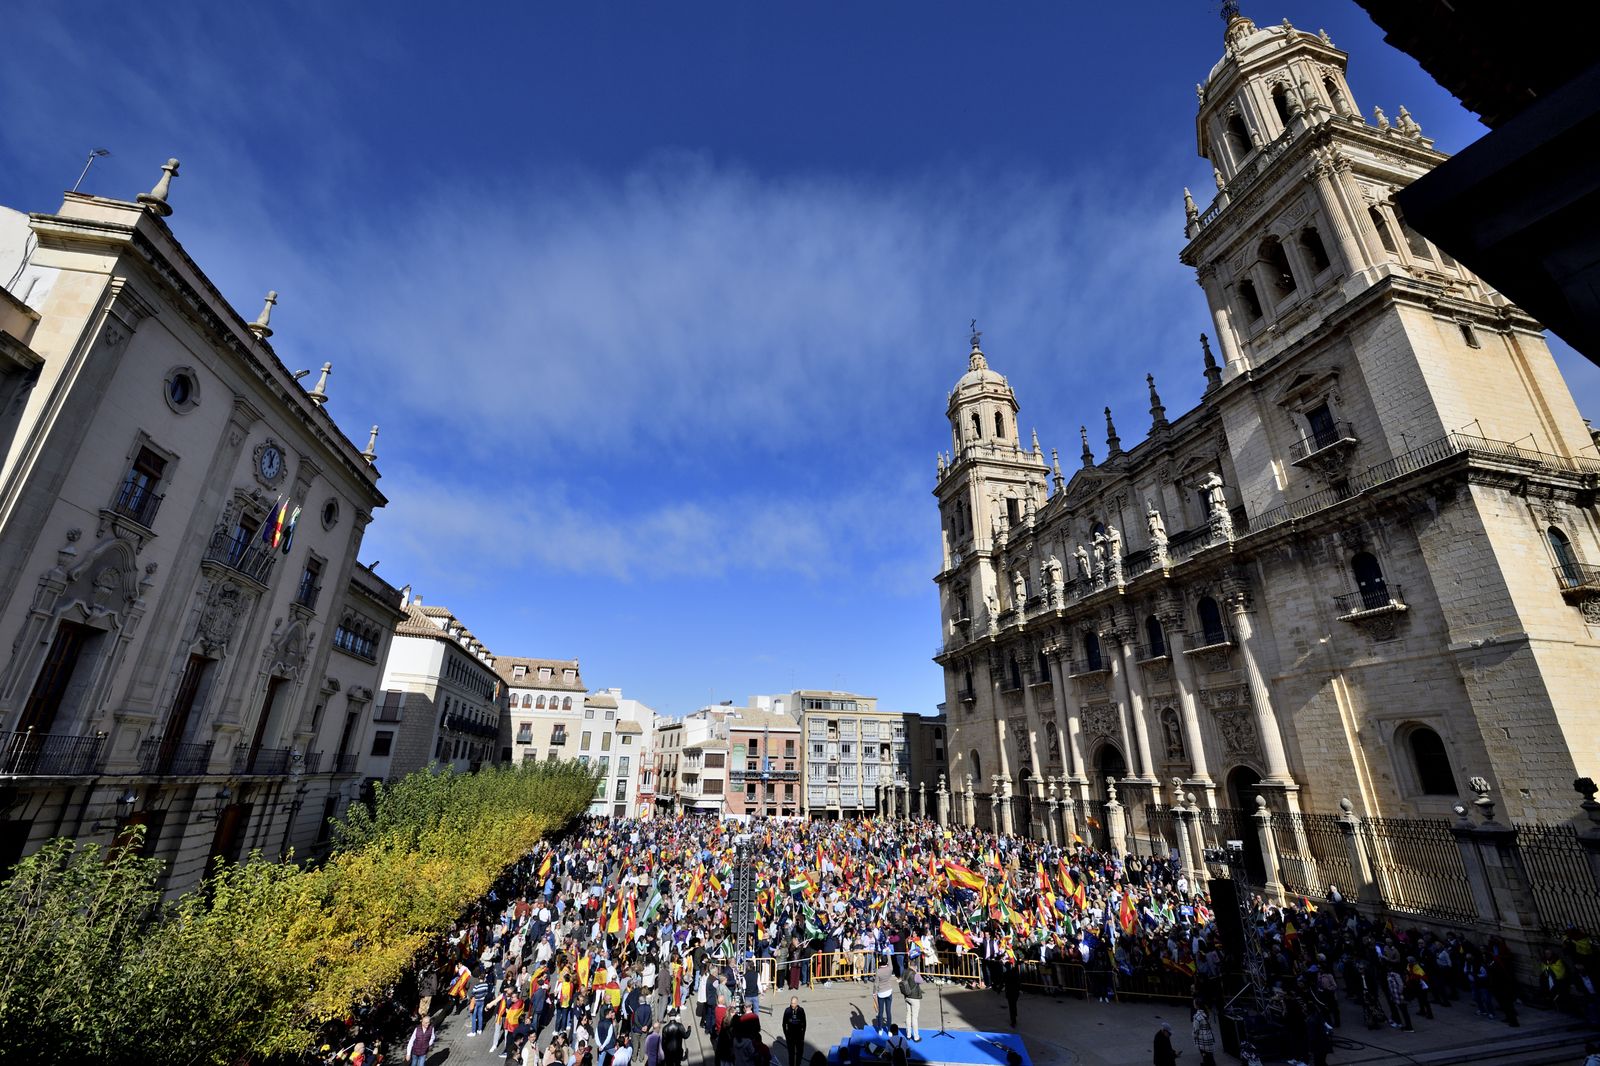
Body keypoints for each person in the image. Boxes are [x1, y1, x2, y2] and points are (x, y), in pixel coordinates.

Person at [899, 963, 923, 1041]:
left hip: (907, 996)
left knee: (908, 1015)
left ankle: (908, 1035)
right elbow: (921, 981)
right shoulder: (915, 974)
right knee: (914, 1017)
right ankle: (916, 1037)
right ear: (915, 967)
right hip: (914, 997)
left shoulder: (904, 972)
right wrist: (917, 972)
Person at [782, 996, 807, 1066]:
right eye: (791, 1003)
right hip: (790, 1036)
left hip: (799, 1036)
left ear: (797, 1003)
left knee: (799, 1053)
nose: (792, 1005)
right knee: (791, 1054)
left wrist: (803, 1035)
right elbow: (784, 1023)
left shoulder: (801, 1011)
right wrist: (786, 1034)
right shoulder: (787, 1011)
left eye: (794, 1003)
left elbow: (804, 1023)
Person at [874, 960, 896, 1031]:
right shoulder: (890, 969)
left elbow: (876, 984)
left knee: (880, 1012)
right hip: (888, 992)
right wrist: (888, 953)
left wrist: (874, 992)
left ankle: (880, 1029)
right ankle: (889, 1030)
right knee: (888, 1011)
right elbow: (890, 961)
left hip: (881, 993)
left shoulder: (878, 971)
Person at [1003, 962, 1022, 1028]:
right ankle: (1014, 1015)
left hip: (1010, 992)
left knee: (1011, 1006)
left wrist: (999, 990)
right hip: (1015, 992)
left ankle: (1013, 1020)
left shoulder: (1006, 974)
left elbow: (1002, 982)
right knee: (1014, 1004)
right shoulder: (1015, 973)